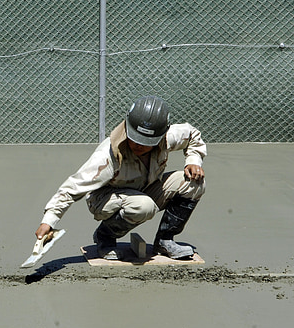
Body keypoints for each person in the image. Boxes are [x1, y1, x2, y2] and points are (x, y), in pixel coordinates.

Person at [35, 95, 206, 260]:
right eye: (136, 138)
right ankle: (105, 237)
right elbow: (71, 188)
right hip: (105, 199)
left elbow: (192, 134)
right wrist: (48, 221)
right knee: (143, 206)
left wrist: (193, 161)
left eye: (146, 141)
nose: (139, 145)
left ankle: (165, 241)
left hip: (144, 189)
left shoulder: (167, 137)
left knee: (194, 183)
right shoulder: (107, 155)